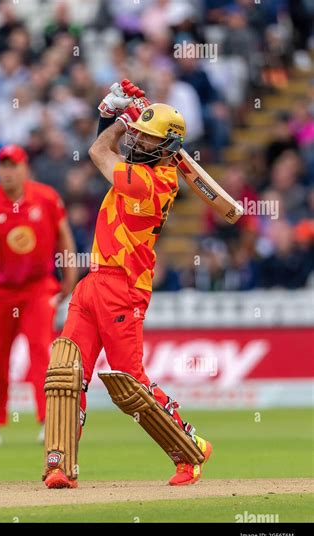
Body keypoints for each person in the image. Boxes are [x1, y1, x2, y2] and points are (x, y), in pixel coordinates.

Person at [42, 80, 212, 489]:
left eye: (148, 141)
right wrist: (118, 117)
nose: (139, 145)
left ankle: (190, 447)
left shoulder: (155, 184)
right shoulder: (142, 167)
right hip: (94, 280)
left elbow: (100, 151)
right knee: (66, 373)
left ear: (167, 149)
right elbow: (112, 147)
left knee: (130, 384)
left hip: (124, 288)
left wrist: (121, 118)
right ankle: (59, 465)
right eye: (139, 138)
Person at [0, 144, 77, 446]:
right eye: (3, 166)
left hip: (37, 287)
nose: (8, 172)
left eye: (14, 165)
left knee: (42, 351)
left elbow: (64, 237)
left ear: (25, 168)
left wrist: (69, 277)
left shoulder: (46, 198)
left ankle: (50, 420)